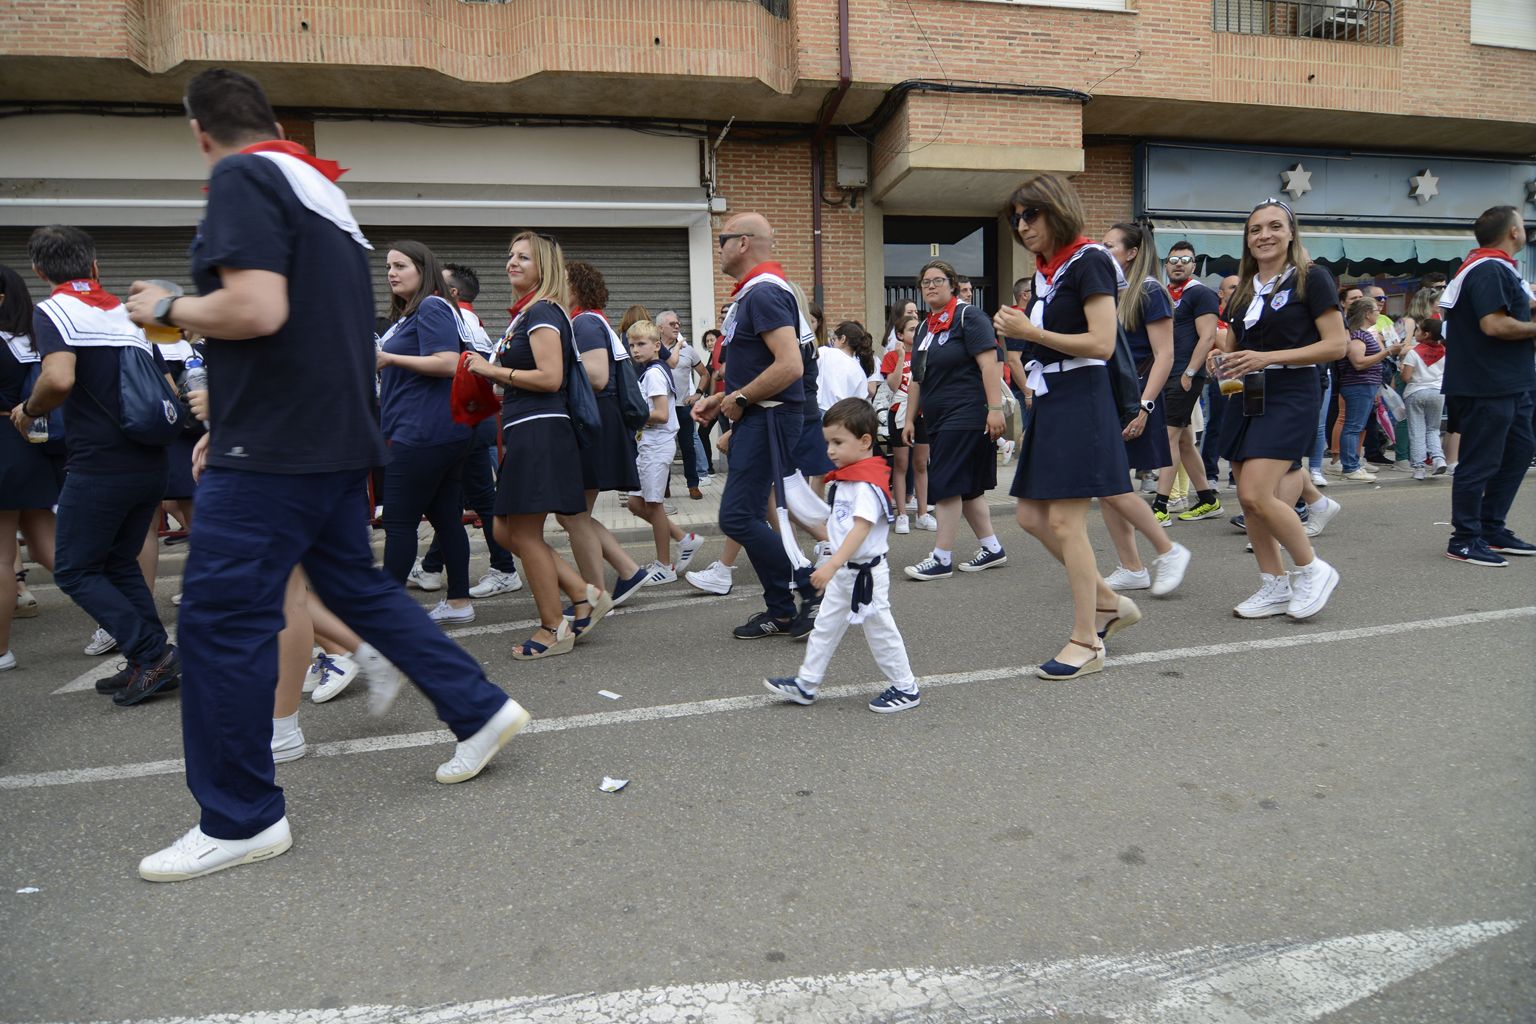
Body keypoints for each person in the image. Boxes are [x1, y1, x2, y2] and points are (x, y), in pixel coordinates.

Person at [122, 68, 530, 881]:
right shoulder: (321, 193)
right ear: (270, 122)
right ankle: (478, 707)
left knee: (217, 622)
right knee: (356, 588)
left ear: (201, 133)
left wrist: (167, 306)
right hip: (338, 437)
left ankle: (240, 817)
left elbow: (256, 310)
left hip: (272, 447)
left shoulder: (243, 176)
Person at [12, 227, 180, 704]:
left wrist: (29, 410)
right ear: (95, 266)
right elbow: (167, 387)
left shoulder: (54, 311)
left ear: (39, 270)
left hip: (100, 464)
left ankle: (152, 654)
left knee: (74, 570)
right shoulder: (128, 315)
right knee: (118, 563)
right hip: (150, 460)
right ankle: (148, 660)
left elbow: (59, 378)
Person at [994, 174, 1134, 680]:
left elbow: (1101, 343)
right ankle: (1109, 601)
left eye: (1030, 214)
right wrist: (1021, 333)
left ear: (1057, 209)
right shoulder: (1047, 272)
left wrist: (1030, 330)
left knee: (1064, 523)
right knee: (1031, 517)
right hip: (1053, 397)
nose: (1022, 226)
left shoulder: (1089, 259)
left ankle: (1087, 639)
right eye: (1016, 218)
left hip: (1082, 396)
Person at [464, 231, 611, 653]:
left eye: (524, 258)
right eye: (511, 255)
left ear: (543, 267)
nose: (512, 262)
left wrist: (491, 371)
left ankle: (553, 627)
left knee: (524, 534)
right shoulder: (528, 313)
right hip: (526, 429)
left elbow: (550, 378)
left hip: (540, 430)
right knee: (504, 530)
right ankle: (584, 594)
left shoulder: (543, 311)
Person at [1209, 198, 1346, 620]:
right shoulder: (1243, 289)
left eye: (1274, 226)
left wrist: (1268, 358)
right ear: (1247, 239)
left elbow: (1336, 345)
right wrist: (1222, 363)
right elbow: (1236, 348)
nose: (1264, 235)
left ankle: (1312, 569)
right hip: (1246, 394)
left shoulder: (1312, 278)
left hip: (1291, 391)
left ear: (1290, 234)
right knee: (1246, 499)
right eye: (1255, 229)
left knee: (1257, 493)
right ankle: (1274, 584)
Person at [690, 212, 818, 640]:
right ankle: (780, 610)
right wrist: (721, 398)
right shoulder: (758, 292)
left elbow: (790, 365)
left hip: (769, 417)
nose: (718, 249)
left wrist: (741, 398)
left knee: (737, 516)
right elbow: (764, 365)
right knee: (748, 514)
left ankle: (813, 585)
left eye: (722, 240)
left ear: (743, 243)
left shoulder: (763, 292)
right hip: (762, 416)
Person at [763, 398, 919, 712]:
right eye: (828, 443)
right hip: (845, 572)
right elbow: (839, 526)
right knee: (824, 627)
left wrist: (831, 564)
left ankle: (906, 687)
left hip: (865, 576)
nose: (830, 450)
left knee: (881, 632)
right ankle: (807, 683)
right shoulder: (848, 479)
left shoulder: (865, 485)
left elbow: (860, 530)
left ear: (865, 441)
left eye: (838, 442)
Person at [375, 240, 477, 623]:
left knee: (399, 522)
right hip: (436, 431)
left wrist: (388, 358)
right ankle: (459, 602)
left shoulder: (432, 306)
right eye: (388, 267)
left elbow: (449, 362)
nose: (391, 273)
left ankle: (386, 616)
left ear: (423, 269)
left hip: (422, 433)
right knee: (446, 518)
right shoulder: (413, 313)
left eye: (400, 265)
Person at [414, 261, 522, 600]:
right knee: (458, 498)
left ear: (452, 291)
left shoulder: (450, 316)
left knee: (468, 499)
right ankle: (432, 567)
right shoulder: (470, 320)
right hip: (473, 419)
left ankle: (503, 568)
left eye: (437, 282)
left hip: (464, 419)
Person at [1437, 205, 1536, 566]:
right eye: (1522, 224)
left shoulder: (1499, 267)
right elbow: (1494, 325)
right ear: (1513, 232)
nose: (1525, 229)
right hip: (1486, 383)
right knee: (1480, 462)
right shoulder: (1488, 268)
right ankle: (1464, 539)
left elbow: (1521, 310)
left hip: (1510, 382)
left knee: (1519, 452)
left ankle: (1491, 528)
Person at [1098, 222, 1190, 596]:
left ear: (1132, 252)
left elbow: (1164, 355)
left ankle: (1167, 552)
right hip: (1109, 396)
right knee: (1107, 485)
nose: (1103, 251)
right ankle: (1132, 566)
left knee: (1111, 483)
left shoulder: (1150, 290)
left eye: (1110, 246)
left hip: (1135, 397)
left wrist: (1145, 406)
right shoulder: (1110, 292)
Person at [900, 258, 1007, 581]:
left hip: (967, 413)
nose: (931, 286)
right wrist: (909, 419)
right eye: (925, 282)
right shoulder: (925, 327)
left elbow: (990, 364)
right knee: (969, 487)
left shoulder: (968, 316)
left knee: (946, 482)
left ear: (952, 285)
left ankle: (941, 557)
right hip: (938, 417)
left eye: (938, 281)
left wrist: (995, 409)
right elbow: (917, 378)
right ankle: (992, 548)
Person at [565, 261, 653, 606]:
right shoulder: (592, 320)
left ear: (576, 288)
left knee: (573, 514)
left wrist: (551, 372)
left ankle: (597, 595)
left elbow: (597, 377)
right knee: (574, 514)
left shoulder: (585, 322)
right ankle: (627, 572)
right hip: (601, 421)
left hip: (596, 421)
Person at [0, 264, 60, 672]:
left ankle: (1, 650)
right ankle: (125, 621)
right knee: (49, 547)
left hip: (2, 446)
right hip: (35, 446)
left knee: (2, 557)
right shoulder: (34, 337)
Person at [625, 319, 703, 583]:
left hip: (656, 445)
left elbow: (661, 414)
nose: (635, 350)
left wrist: (631, 416)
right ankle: (684, 538)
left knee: (653, 505)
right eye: (632, 345)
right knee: (635, 504)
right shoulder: (649, 371)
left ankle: (665, 566)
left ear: (657, 345)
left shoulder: (655, 373)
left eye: (641, 344)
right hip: (647, 445)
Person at [1154, 241, 1222, 524]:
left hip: (1184, 375)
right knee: (1183, 440)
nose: (1178, 264)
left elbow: (1208, 337)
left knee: (1168, 436)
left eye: (1185, 259)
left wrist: (1190, 372)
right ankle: (1208, 499)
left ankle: (1160, 506)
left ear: (1194, 265)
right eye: (1173, 260)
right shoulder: (1164, 293)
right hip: (1167, 372)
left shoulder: (1201, 293)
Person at [1334, 297, 1392, 482]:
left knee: (1355, 426)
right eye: (1376, 311)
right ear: (1367, 314)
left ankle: (1352, 464)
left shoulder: (1360, 334)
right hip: (1358, 385)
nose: (1379, 313)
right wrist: (1387, 352)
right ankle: (1350, 467)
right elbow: (1358, 362)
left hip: (1364, 386)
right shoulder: (1358, 335)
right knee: (1353, 427)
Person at [879, 314, 925, 534]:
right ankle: (902, 514)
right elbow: (893, 385)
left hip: (922, 412)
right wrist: (899, 358)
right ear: (899, 334)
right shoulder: (891, 356)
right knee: (901, 464)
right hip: (899, 411)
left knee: (921, 464)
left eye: (918, 329)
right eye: (911, 329)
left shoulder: (925, 354)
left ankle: (923, 514)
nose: (916, 333)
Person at [1399, 317, 1447, 480]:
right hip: (1437, 392)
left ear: (1426, 334)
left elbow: (1406, 377)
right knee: (1433, 429)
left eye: (1418, 330)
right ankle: (1438, 458)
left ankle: (1419, 467)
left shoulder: (1413, 352)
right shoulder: (1444, 352)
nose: (1416, 332)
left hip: (1416, 392)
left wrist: (1402, 369)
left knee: (1417, 430)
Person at [818, 320, 874, 409]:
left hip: (819, 407)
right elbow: (859, 402)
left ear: (843, 339)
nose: (833, 343)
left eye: (834, 339)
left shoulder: (824, 352)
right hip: (842, 413)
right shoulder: (859, 371)